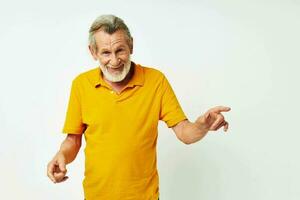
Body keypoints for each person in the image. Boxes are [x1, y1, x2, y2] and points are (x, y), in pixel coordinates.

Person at [47, 14, 231, 200]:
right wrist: (61, 155)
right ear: (93, 52)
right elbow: (73, 140)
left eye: (120, 50)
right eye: (105, 53)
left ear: (131, 46)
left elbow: (185, 133)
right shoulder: (81, 85)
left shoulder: (155, 81)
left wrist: (202, 125)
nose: (114, 60)